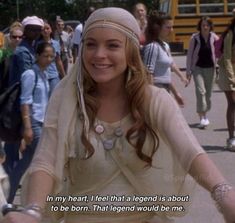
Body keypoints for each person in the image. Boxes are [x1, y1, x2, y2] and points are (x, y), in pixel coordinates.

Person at [1, 7, 235, 223]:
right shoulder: (67, 99)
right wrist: (32, 211)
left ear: (131, 51)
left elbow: (190, 151)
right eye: (91, 44)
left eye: (112, 45)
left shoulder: (154, 99)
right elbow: (45, 162)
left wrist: (223, 193)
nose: (99, 54)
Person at [2, 16, 44, 204]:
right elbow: (28, 83)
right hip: (21, 109)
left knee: (26, 155)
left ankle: (10, 195)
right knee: (17, 152)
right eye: (32, 29)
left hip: (30, 109)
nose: (35, 32)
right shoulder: (22, 53)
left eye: (38, 29)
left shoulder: (34, 49)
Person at [142, 11, 188, 107]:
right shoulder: (152, 47)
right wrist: (150, 98)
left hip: (165, 89)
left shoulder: (165, 45)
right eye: (168, 27)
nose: (171, 30)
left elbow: (165, 76)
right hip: (156, 90)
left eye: (172, 27)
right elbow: (148, 73)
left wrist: (176, 93)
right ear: (157, 28)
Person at [186, 16, 219, 129]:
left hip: (210, 68)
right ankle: (202, 117)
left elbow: (219, 53)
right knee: (201, 92)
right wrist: (188, 71)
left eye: (207, 25)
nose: (205, 27)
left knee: (208, 94)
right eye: (203, 25)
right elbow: (190, 55)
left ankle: (204, 113)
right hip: (198, 68)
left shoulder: (214, 38)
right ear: (200, 26)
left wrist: (219, 65)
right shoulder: (195, 38)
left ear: (210, 26)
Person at [216, 17, 235, 151]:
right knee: (233, 102)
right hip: (227, 69)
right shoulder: (231, 34)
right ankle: (231, 138)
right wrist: (231, 78)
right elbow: (227, 57)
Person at [38, 21, 65, 94]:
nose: (45, 31)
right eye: (43, 29)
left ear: (51, 30)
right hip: (41, 76)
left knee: (54, 98)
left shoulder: (56, 44)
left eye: (47, 28)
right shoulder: (37, 44)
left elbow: (58, 61)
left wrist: (64, 76)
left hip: (53, 76)